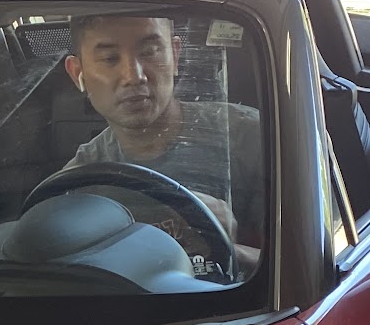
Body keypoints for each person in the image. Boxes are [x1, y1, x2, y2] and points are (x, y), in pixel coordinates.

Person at [61, 15, 263, 259]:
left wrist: (229, 251)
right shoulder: (77, 183)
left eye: (150, 52)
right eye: (110, 58)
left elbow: (298, 265)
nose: (134, 76)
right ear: (78, 73)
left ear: (175, 56)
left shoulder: (252, 138)